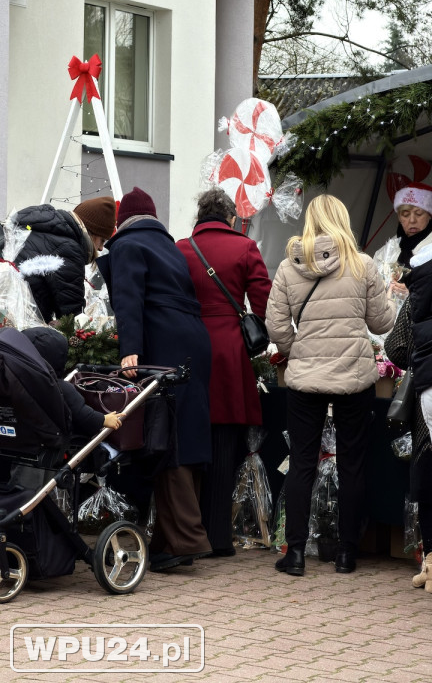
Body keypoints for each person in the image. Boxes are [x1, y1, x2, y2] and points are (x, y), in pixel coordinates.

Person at [265, 194, 396, 577]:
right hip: (354, 378)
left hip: (305, 380)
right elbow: (383, 323)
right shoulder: (363, 265)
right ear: (342, 220)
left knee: (302, 464)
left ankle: (296, 554)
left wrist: (297, 351)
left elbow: (275, 326)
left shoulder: (290, 267)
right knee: (353, 463)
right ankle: (346, 553)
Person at [97, 186, 213, 571]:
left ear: (122, 221)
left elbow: (129, 298)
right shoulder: (169, 247)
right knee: (187, 437)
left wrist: (130, 347)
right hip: (194, 341)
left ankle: (186, 539)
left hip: (163, 342)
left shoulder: (128, 246)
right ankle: (169, 539)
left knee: (169, 439)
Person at [176, 188, 272, 556]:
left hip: (190, 346)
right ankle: (218, 537)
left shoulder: (182, 248)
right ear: (231, 217)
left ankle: (188, 532)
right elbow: (262, 305)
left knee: (189, 441)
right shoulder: (245, 248)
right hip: (230, 351)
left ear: (199, 216)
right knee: (225, 441)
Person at [385, 251, 432, 592]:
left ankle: (430, 564)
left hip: (425, 400)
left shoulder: (417, 300)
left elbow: (394, 346)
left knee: (428, 482)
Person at [0, 197, 116, 323]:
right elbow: (72, 316)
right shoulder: (68, 248)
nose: (100, 248)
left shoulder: (30, 227)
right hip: (23, 330)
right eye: (102, 240)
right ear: (91, 232)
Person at [21, 325, 125, 436]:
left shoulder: (18, 383)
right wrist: (103, 419)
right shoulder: (59, 388)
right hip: (62, 442)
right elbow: (83, 415)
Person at [374, 181, 432, 304]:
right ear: (399, 218)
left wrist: (414, 294)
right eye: (405, 215)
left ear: (429, 215)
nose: (412, 220)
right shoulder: (386, 251)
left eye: (419, 213)